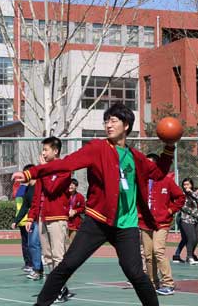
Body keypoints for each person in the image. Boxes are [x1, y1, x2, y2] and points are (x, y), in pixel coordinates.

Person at [13, 103, 176, 306]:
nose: (108, 125)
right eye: (106, 121)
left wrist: (169, 148)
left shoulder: (136, 157)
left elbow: (158, 173)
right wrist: (31, 173)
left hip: (126, 225)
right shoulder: (97, 148)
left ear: (126, 125)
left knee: (136, 273)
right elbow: (65, 163)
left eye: (113, 120)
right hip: (98, 220)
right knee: (67, 265)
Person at [26, 137, 72, 302]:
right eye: (43, 150)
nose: (43, 153)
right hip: (42, 218)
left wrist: (43, 169)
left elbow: (52, 189)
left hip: (57, 217)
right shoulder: (42, 172)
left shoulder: (64, 169)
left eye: (46, 150)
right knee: (47, 256)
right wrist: (31, 217)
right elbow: (37, 195)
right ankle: (56, 287)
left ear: (56, 151)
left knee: (58, 256)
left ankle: (59, 288)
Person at [140, 153, 185, 296]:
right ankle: (153, 283)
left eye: (150, 164)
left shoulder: (166, 180)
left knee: (158, 251)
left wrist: (170, 210)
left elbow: (180, 197)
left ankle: (168, 283)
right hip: (145, 222)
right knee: (148, 255)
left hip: (161, 223)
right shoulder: (141, 181)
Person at [12, 164, 36, 274]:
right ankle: (30, 264)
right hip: (25, 221)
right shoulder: (22, 189)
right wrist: (16, 221)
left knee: (34, 244)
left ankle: (35, 265)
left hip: (33, 220)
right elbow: (24, 207)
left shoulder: (36, 187)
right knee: (27, 244)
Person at [173, 178, 198, 265]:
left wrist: (191, 192)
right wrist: (192, 213)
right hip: (186, 219)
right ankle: (189, 257)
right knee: (190, 238)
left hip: (195, 220)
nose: (186, 186)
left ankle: (191, 254)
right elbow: (181, 206)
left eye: (188, 184)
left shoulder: (194, 194)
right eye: (184, 185)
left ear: (191, 185)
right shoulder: (181, 194)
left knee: (196, 239)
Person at [67, 179, 85, 245]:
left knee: (72, 242)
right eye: (69, 184)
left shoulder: (80, 197)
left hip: (74, 223)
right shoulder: (64, 195)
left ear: (76, 187)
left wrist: (75, 211)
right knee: (62, 242)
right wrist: (67, 211)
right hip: (64, 221)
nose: (70, 186)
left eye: (72, 185)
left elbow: (83, 208)